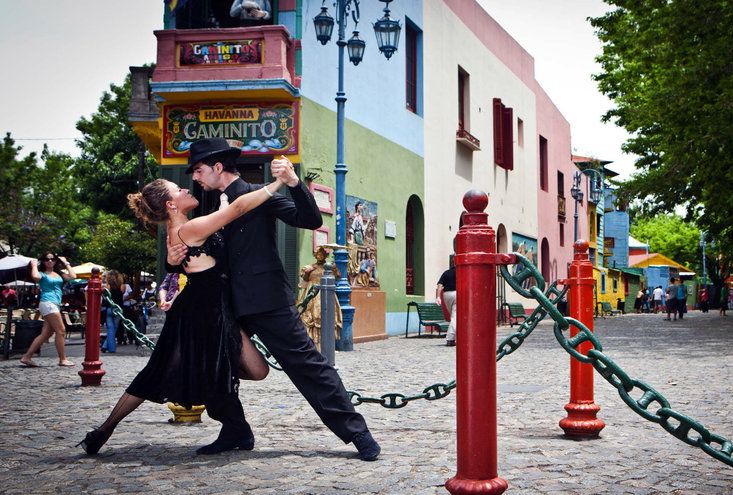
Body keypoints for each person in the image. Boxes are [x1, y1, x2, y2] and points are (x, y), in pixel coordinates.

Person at [177, 137, 380, 461]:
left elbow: (310, 219)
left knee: (307, 365)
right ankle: (235, 430)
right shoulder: (205, 203)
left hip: (267, 299)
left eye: (199, 170)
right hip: (226, 303)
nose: (195, 178)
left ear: (217, 167)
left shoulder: (258, 194)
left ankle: (358, 433)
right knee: (214, 364)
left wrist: (295, 183)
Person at [78, 174, 282, 456]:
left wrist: (172, 264)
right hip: (200, 315)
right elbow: (236, 210)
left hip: (213, 311)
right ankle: (104, 430)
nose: (187, 188)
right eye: (179, 189)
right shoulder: (189, 229)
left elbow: (189, 260)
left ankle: (232, 423)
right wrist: (275, 185)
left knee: (251, 370)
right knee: (159, 373)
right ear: (171, 204)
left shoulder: (183, 230)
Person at [19, 253, 77, 367]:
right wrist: (34, 265)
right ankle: (63, 359)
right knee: (61, 330)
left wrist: (66, 263)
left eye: (52, 259)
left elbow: (73, 276)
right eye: (46, 259)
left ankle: (26, 357)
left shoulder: (59, 274)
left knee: (46, 334)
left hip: (55, 303)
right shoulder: (42, 274)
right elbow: (35, 276)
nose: (50, 261)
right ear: (43, 261)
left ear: (56, 261)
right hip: (47, 302)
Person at [296, 246, 341, 351]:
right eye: (318, 254)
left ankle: (325, 345)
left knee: (325, 316)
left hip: (326, 293)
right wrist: (308, 272)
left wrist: (334, 268)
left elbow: (338, 276)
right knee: (309, 316)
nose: (320, 256)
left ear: (325, 256)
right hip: (311, 292)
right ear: (315, 256)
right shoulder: (310, 267)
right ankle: (311, 344)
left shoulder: (329, 267)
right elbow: (305, 279)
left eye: (322, 254)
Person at [101, 270, 127, 353]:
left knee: (110, 328)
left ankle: (105, 346)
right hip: (118, 309)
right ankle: (110, 348)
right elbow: (122, 294)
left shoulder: (107, 286)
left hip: (109, 308)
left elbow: (105, 295)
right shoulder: (122, 286)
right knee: (114, 328)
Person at [436, 260, 457, 347]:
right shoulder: (462, 272)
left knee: (453, 316)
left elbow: (440, 285)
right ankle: (450, 338)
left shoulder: (446, 273)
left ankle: (453, 337)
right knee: (455, 317)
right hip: (457, 294)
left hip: (446, 295)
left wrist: (438, 297)